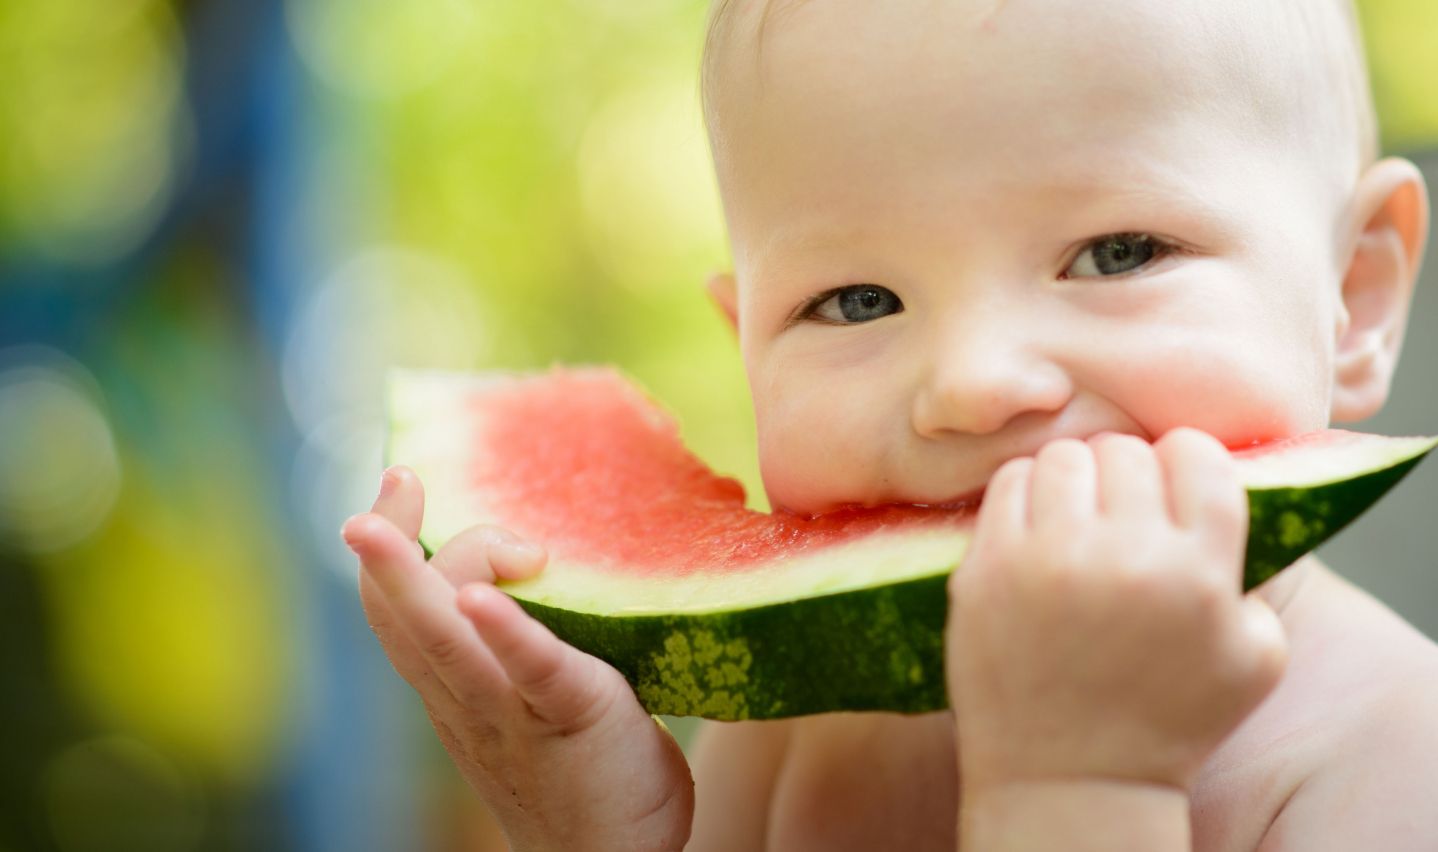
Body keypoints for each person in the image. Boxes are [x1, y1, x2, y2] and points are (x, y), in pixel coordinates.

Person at [341, 0, 1438, 847]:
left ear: (1356, 293)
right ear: (745, 346)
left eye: (1118, 252)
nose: (972, 383)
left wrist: (1082, 785)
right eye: (856, 301)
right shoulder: (779, 742)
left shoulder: (1391, 752)